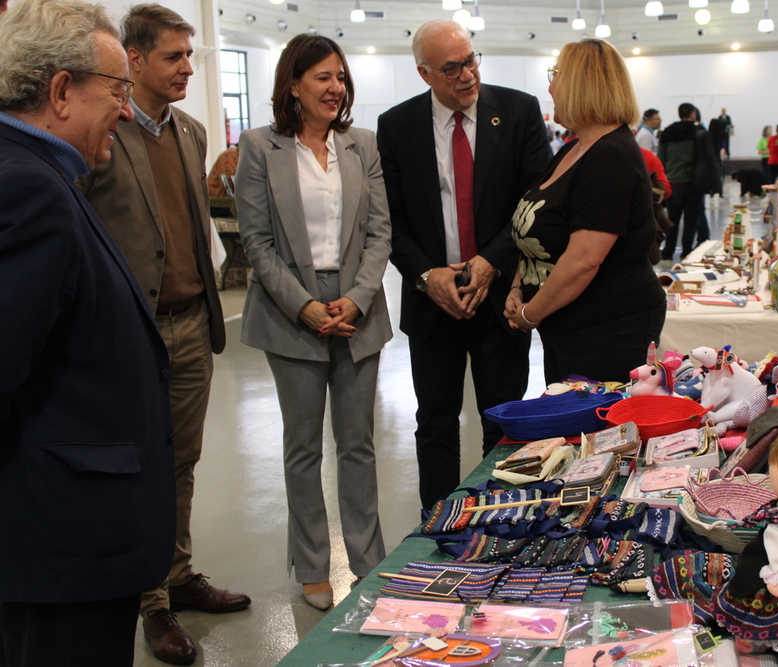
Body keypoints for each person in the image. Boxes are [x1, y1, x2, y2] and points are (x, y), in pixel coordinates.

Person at [0, 0, 175, 664]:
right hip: (58, 550)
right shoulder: (29, 189)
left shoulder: (46, 176)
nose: (127, 112)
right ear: (61, 92)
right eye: (118, 92)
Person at [78, 5, 249, 663]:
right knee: (142, 467)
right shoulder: (104, 134)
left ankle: (176, 573)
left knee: (182, 463)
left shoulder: (192, 131)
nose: (186, 68)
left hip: (189, 323)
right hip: (131, 330)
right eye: (174, 57)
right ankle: (151, 604)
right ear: (136, 60)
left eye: (190, 56)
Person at [235, 33, 392, 612]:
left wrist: (356, 297)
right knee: (303, 448)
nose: (335, 88)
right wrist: (302, 304)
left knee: (359, 445)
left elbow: (380, 232)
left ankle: (368, 561)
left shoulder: (362, 146)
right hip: (289, 310)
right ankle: (311, 565)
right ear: (293, 84)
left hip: (357, 308)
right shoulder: (260, 147)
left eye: (340, 77)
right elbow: (255, 239)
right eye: (322, 77)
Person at [377, 20, 551, 510]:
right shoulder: (397, 126)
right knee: (434, 423)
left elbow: (534, 200)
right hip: (434, 302)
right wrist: (425, 275)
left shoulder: (518, 111)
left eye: (471, 60)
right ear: (424, 73)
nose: (467, 75)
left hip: (500, 300)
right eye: (450, 68)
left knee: (502, 423)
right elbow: (391, 217)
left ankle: (499, 521)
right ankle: (438, 525)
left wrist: (491, 262)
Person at [503, 38, 666, 385]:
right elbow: (540, 233)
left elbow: (583, 261)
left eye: (556, 75)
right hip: (567, 322)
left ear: (580, 84)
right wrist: (519, 287)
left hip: (606, 326)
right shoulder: (574, 150)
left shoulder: (610, 156)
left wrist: (530, 313)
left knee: (595, 432)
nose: (550, 86)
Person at [649, 429, 778, 650]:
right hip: (758, 567)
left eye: (776, 468)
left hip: (767, 584)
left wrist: (777, 582)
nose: (771, 470)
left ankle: (750, 640)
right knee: (698, 568)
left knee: (738, 608)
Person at [659, 102, 722, 259]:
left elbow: (661, 159)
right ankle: (686, 251)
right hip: (693, 183)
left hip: (673, 183)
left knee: (672, 220)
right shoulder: (697, 131)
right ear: (693, 114)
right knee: (691, 220)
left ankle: (668, 250)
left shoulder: (667, 132)